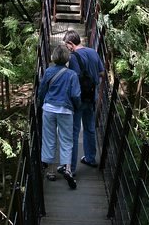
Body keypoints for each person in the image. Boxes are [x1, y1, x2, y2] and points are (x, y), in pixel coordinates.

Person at [38, 42, 80, 190]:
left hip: (49, 109)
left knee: (49, 139)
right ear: (67, 58)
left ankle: (50, 171)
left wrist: (40, 102)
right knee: (66, 141)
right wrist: (76, 106)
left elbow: (42, 89)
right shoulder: (72, 75)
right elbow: (75, 95)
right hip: (66, 110)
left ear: (54, 57)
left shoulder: (49, 71)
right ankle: (67, 169)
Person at [63, 30, 105, 175]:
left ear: (70, 43)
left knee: (74, 132)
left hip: (78, 99)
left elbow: (73, 78)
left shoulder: (74, 57)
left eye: (66, 45)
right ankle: (90, 158)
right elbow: (101, 72)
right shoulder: (93, 52)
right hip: (92, 97)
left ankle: (71, 169)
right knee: (90, 128)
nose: (66, 48)